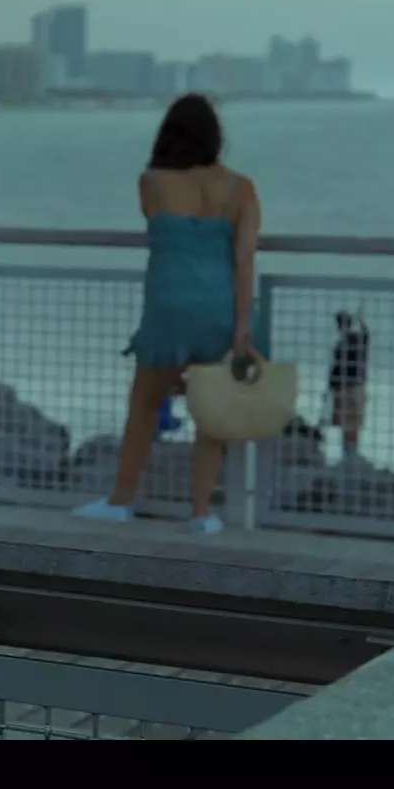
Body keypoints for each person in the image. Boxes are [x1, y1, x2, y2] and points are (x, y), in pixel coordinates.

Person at [74, 94, 262, 535]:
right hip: (218, 309)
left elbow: (153, 218)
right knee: (210, 415)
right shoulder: (242, 189)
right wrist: (241, 325)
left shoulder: (152, 183)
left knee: (144, 405)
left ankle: (120, 500)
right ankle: (201, 512)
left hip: (168, 307)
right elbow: (244, 260)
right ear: (215, 137)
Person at [329, 309, 370, 461]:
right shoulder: (344, 343)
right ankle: (348, 452)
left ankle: (350, 452)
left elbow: (365, 338)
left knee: (350, 421)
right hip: (346, 386)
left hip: (351, 386)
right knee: (348, 422)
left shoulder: (352, 341)